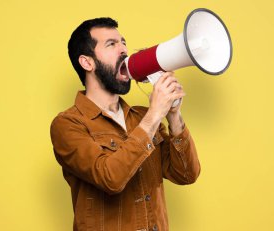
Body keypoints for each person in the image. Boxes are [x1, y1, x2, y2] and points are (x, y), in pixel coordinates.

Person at [50, 17, 201, 231]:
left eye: (123, 42)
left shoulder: (143, 117)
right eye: (111, 44)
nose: (124, 50)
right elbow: (110, 178)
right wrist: (155, 114)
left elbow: (186, 174)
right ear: (87, 62)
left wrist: (173, 115)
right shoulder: (67, 124)